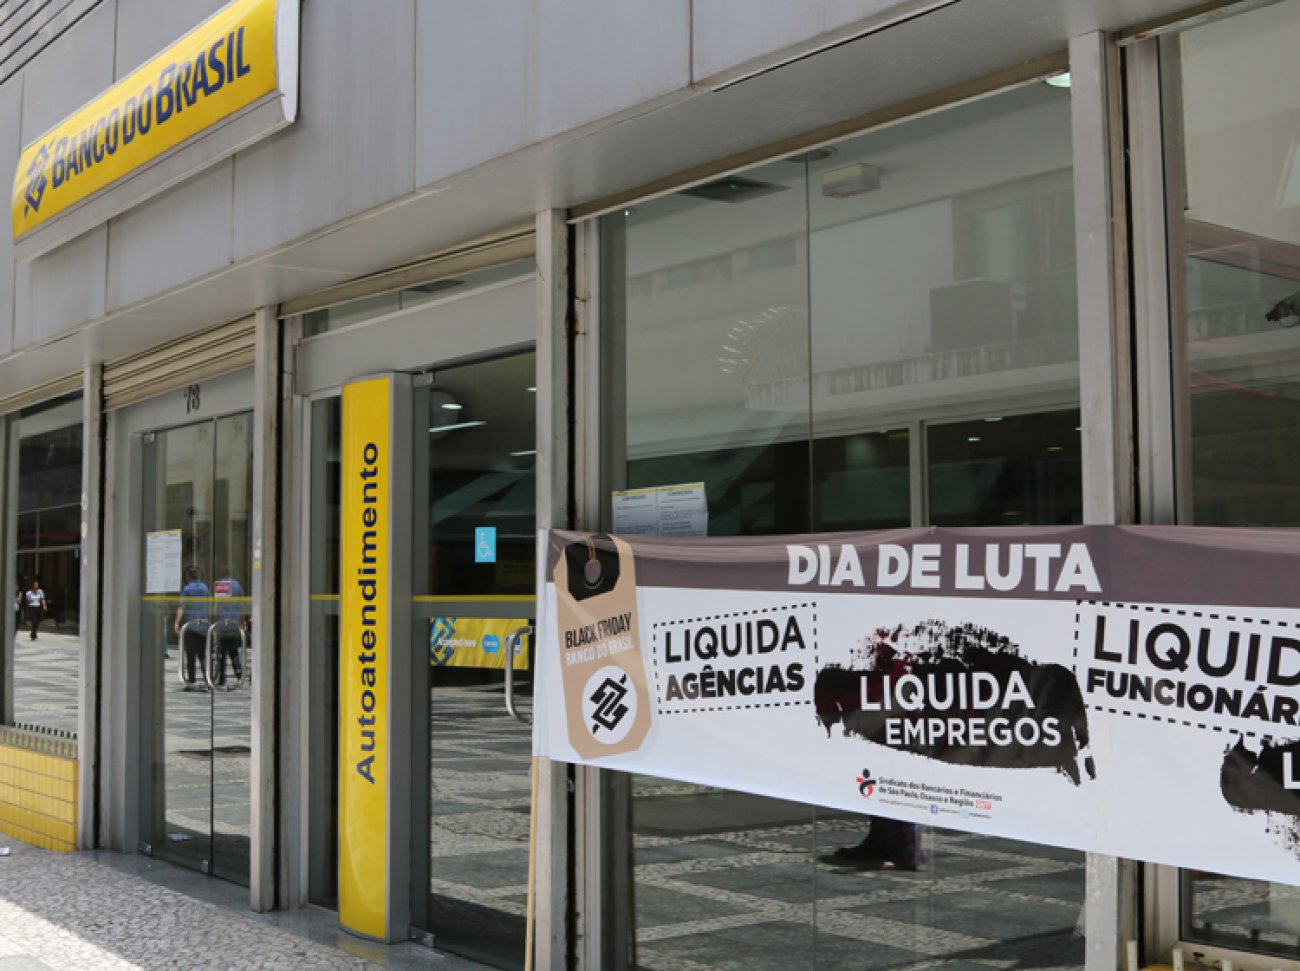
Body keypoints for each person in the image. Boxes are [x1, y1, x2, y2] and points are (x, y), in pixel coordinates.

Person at [173, 565, 211, 689]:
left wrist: (177, 622)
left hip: (191, 627)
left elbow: (182, 607)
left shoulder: (187, 589)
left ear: (189, 578)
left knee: (190, 656)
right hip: (204, 627)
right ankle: (208, 680)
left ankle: (191, 681)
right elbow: (211, 605)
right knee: (203, 655)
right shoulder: (205, 588)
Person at [211, 569, 246, 687]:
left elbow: (216, 606)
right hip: (235, 623)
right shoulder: (237, 585)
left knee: (221, 652)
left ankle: (222, 678)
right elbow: (242, 605)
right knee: (234, 650)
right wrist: (243, 621)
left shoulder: (220, 586)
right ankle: (238, 671)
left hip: (222, 624)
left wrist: (214, 621)